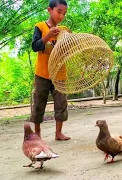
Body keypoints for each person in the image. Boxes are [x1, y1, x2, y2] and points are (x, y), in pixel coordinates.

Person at [30, 0, 70, 140]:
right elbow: (35, 46)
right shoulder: (40, 27)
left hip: (59, 73)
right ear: (49, 10)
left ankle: (58, 133)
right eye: (59, 11)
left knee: (61, 103)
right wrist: (48, 35)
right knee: (39, 103)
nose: (61, 16)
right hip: (42, 73)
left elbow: (69, 49)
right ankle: (37, 134)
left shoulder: (64, 30)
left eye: (64, 13)